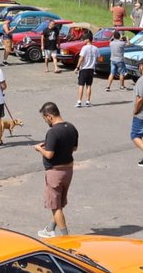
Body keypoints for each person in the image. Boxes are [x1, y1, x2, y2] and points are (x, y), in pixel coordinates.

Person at [35, 101, 78, 238]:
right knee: (59, 202)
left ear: (49, 116)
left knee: (55, 206)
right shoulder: (71, 127)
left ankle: (66, 237)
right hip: (68, 171)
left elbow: (49, 154)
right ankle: (49, 228)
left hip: (55, 172)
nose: (45, 121)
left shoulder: (53, 132)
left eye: (44, 118)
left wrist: (39, 148)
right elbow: (74, 148)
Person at [75, 34, 98, 107]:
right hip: (91, 69)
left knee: (81, 85)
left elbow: (81, 58)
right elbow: (97, 57)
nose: (83, 41)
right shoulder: (95, 48)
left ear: (88, 39)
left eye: (84, 39)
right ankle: (88, 101)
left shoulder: (84, 48)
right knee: (89, 85)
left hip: (84, 69)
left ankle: (79, 102)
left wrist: (77, 67)